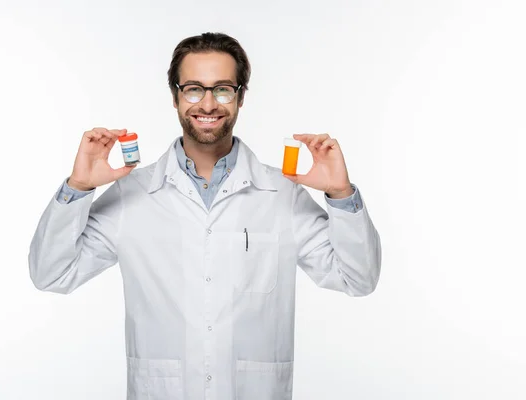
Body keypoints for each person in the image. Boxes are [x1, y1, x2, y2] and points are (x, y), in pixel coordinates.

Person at [29, 32, 381, 400]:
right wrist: (79, 187)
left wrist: (341, 195)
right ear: (176, 96)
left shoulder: (282, 195)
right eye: (194, 89)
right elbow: (51, 274)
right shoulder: (132, 194)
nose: (208, 104)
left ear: (241, 97)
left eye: (223, 89)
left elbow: (358, 279)